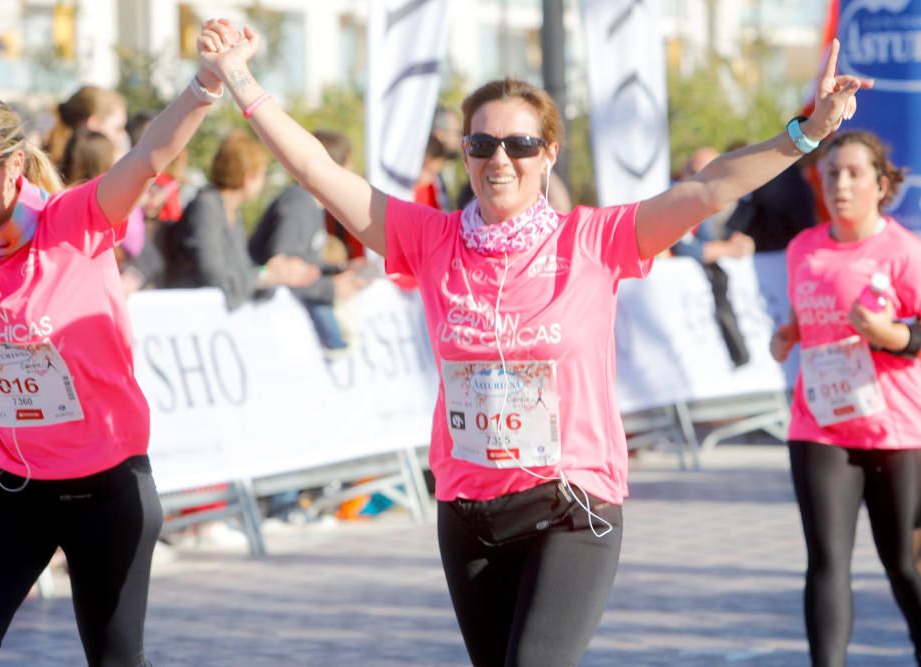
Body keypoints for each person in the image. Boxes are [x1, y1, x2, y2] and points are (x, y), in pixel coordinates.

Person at [196, 23, 866, 664]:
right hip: (469, 510)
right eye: (482, 145)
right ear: (465, 154)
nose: (500, 161)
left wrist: (806, 133)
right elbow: (316, 169)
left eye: (518, 145)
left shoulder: (593, 241)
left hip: (572, 504)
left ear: (547, 153)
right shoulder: (429, 239)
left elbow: (706, 186)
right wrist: (239, 77)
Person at [0, 21, 234, 665]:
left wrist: (205, 83)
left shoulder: (74, 222)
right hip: (9, 486)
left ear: (10, 166)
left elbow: (148, 157)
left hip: (107, 488)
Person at [769, 130, 921, 665]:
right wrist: (786, 336)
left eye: (855, 173)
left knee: (903, 563)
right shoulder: (803, 248)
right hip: (819, 424)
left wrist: (886, 333)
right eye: (832, 173)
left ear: (881, 185)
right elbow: (801, 322)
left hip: (896, 428)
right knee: (827, 561)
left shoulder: (904, 250)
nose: (842, 184)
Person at [162, 129, 320, 309]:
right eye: (262, 174)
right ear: (248, 177)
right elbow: (212, 274)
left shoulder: (232, 213)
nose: (264, 180)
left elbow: (242, 268)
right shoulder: (206, 208)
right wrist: (266, 275)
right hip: (189, 311)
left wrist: (271, 272)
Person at [247, 129, 368, 350]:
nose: (353, 173)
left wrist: (340, 268)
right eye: (350, 165)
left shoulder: (310, 204)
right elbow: (283, 269)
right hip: (266, 329)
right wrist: (330, 288)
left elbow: (303, 262)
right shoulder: (299, 202)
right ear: (335, 167)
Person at [671, 146, 756, 366]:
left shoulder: (708, 205)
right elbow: (686, 249)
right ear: (685, 173)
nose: (705, 183)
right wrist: (728, 249)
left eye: (712, 176)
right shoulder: (675, 202)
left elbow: (710, 238)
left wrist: (736, 242)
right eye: (699, 174)